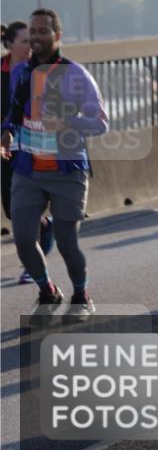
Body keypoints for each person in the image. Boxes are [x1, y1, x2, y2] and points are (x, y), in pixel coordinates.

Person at [1, 8, 109, 321]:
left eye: (42, 32)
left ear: (57, 36)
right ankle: (47, 290)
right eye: (32, 32)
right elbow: (14, 114)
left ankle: (81, 293)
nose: (35, 37)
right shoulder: (22, 74)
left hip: (67, 170)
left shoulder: (75, 75)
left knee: (67, 243)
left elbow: (101, 124)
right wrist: (6, 132)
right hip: (27, 170)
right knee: (22, 239)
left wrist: (66, 122)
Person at [2, 21, 55, 283]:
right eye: (24, 41)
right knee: (12, 210)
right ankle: (46, 226)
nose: (29, 46)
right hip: (5, 148)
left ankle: (30, 265)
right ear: (10, 44)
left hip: (32, 146)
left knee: (26, 206)